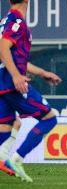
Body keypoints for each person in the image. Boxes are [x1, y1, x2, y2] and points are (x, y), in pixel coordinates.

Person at [0, 0, 61, 182]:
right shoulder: (16, 21)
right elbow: (3, 48)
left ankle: (3, 158)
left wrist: (42, 73)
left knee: (8, 126)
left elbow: (12, 55)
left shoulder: (7, 20)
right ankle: (16, 159)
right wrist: (17, 76)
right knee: (50, 118)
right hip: (12, 84)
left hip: (3, 84)